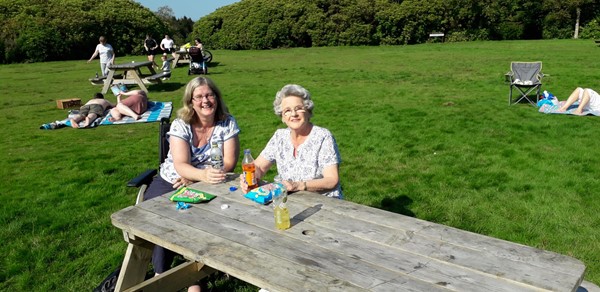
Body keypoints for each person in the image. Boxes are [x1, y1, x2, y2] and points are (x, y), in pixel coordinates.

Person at [143, 76, 240, 290]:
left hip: (209, 182)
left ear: (217, 97)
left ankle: (194, 277)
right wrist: (195, 174)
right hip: (173, 180)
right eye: (199, 97)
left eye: (209, 95)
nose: (205, 101)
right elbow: (180, 164)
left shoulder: (227, 122)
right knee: (160, 217)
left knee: (201, 220)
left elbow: (230, 162)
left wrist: (196, 177)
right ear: (191, 101)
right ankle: (162, 273)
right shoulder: (182, 124)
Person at [239, 84, 343, 199]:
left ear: (308, 111)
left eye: (298, 108)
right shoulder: (279, 137)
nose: (293, 114)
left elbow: (332, 180)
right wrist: (248, 178)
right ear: (282, 117)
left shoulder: (323, 137)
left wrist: (299, 185)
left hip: (325, 203)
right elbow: (259, 167)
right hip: (291, 201)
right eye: (287, 111)